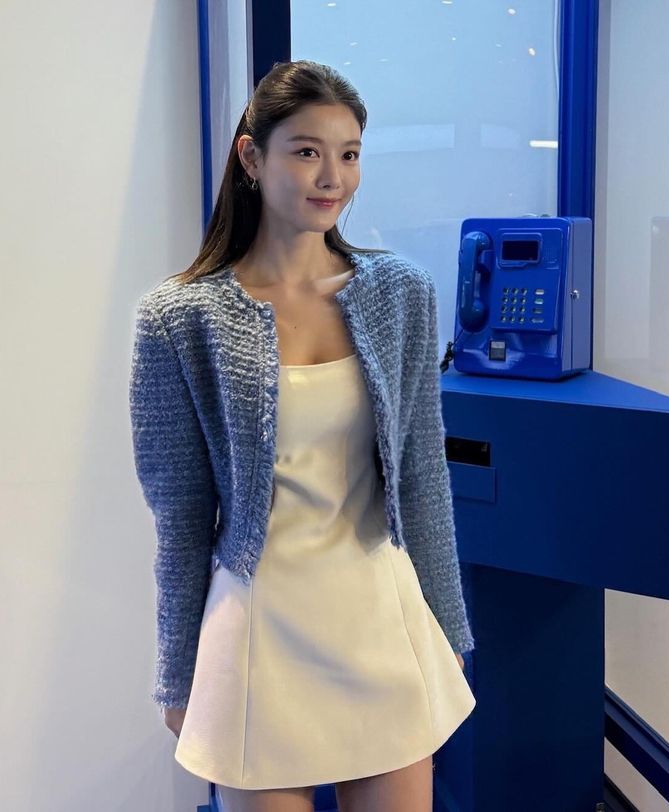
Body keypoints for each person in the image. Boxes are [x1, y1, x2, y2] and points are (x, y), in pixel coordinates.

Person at [129, 59, 476, 812]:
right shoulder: (179, 319)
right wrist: (177, 673)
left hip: (378, 621)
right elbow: (180, 517)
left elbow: (423, 472)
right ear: (252, 159)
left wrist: (447, 624)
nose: (333, 177)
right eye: (307, 151)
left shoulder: (401, 292)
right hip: (260, 636)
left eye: (349, 154)